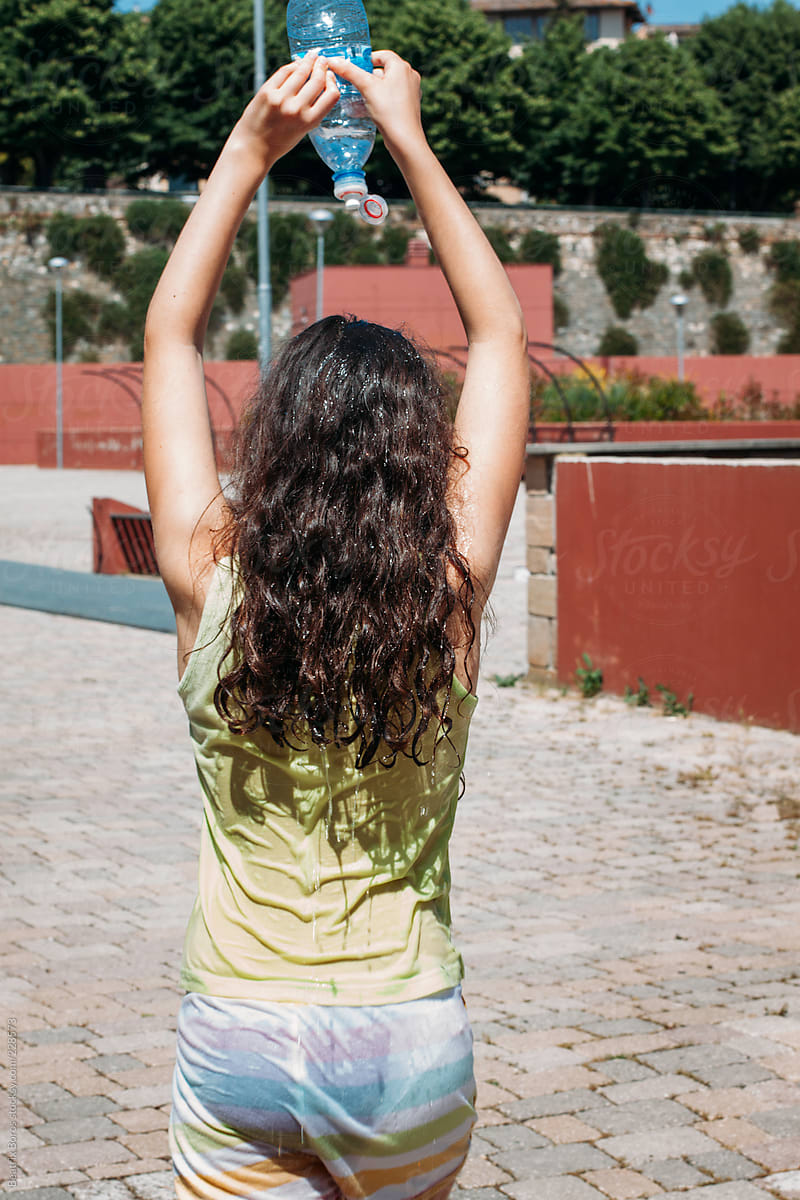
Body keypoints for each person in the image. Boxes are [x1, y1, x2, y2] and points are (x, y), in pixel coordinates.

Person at [142, 48, 529, 1200]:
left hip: (240, 1031)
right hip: (403, 1039)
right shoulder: (445, 588)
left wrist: (248, 153)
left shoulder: (209, 577)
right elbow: (501, 338)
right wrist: (406, 138)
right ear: (419, 452)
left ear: (275, 443)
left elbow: (170, 338)